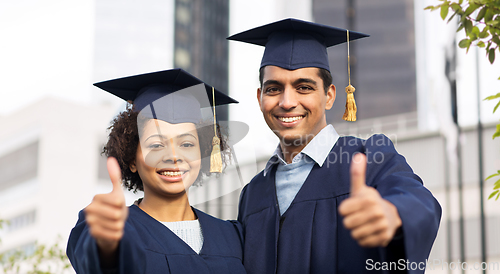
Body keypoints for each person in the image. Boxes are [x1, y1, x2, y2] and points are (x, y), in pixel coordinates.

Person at [228, 18, 441, 273]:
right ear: (260, 97)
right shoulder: (253, 193)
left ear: (329, 96)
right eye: (274, 89)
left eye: (303, 87)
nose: (287, 102)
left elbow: (419, 201)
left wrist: (393, 215)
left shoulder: (369, 158)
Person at [66, 69, 247, 274]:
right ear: (132, 159)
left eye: (187, 144)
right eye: (156, 145)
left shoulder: (232, 235)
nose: (173, 156)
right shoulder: (115, 227)